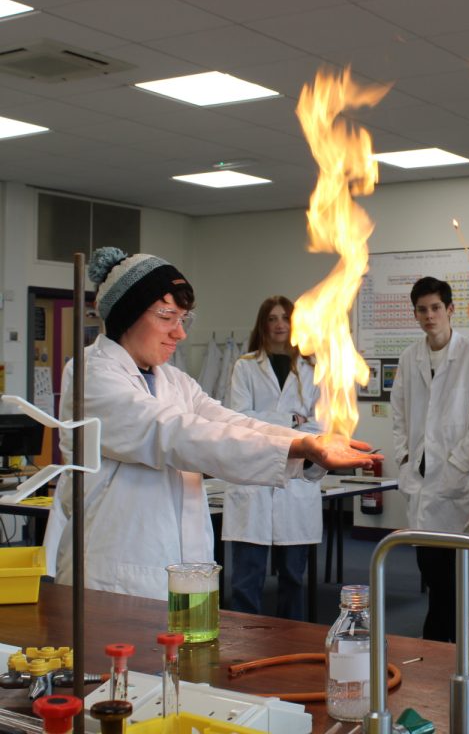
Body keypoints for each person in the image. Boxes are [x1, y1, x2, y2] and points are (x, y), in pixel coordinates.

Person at [45, 247, 380, 600]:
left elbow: (230, 422)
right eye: (167, 317)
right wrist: (298, 445)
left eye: (184, 319)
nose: (180, 333)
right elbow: (176, 435)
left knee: (186, 654)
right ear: (127, 315)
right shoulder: (92, 375)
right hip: (116, 574)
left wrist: (310, 448)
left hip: (184, 566)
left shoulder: (173, 381)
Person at [391, 276, 469, 642]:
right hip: (421, 482)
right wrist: (405, 459)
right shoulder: (410, 357)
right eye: (422, 310)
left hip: (458, 484)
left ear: (451, 310)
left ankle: (441, 649)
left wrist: (456, 467)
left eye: (436, 308)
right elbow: (399, 415)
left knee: (448, 582)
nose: (429, 316)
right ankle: (447, 647)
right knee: (433, 575)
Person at [223, 295, 322, 620]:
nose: (279, 324)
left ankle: (290, 641)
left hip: (295, 484)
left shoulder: (312, 369)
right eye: (272, 319)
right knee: (246, 578)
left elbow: (320, 424)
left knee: (294, 578)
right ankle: (242, 643)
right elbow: (239, 418)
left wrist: (272, 425)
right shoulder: (246, 366)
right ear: (263, 325)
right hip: (253, 482)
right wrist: (290, 422)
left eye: (285, 318)